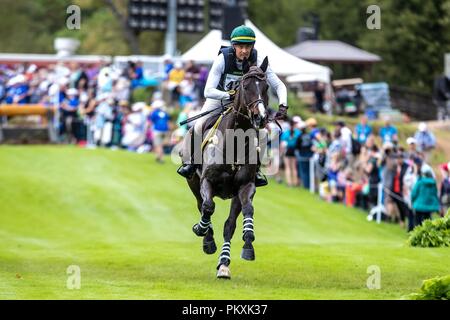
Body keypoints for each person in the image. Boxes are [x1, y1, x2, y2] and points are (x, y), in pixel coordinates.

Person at [177, 25, 288, 187]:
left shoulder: (257, 60)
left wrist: (283, 105)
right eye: (241, 47)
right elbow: (208, 91)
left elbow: (279, 85)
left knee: (261, 132)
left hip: (244, 105)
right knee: (199, 126)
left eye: (248, 47)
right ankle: (192, 163)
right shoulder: (223, 59)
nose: (244, 51)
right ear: (233, 46)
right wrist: (229, 95)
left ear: (252, 47)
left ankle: (256, 170)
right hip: (219, 98)